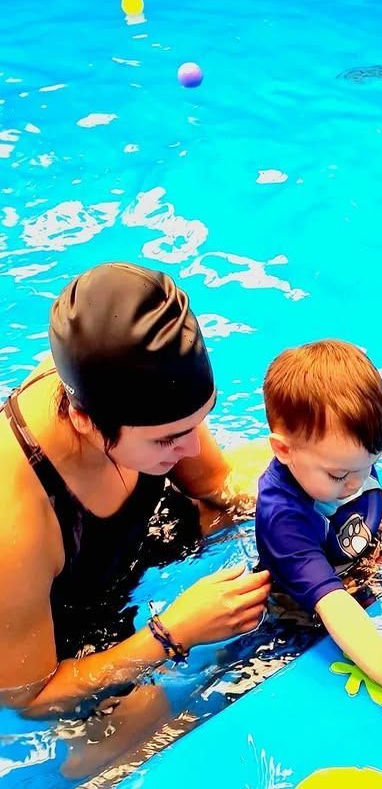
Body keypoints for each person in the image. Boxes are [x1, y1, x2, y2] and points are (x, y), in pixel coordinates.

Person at [0, 262, 271, 775]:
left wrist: (328, 500)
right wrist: (172, 634)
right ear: (83, 420)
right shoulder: (14, 524)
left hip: (128, 543)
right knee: (134, 730)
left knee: (296, 473)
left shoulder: (136, 385)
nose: (193, 447)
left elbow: (218, 485)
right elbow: (28, 700)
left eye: (199, 422)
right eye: (169, 439)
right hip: (61, 628)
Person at [255, 339, 382, 710]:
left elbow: (361, 490)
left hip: (356, 565)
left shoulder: (343, 461)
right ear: (284, 450)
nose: (356, 483)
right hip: (306, 615)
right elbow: (332, 604)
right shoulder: (284, 518)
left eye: (369, 465)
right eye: (340, 474)